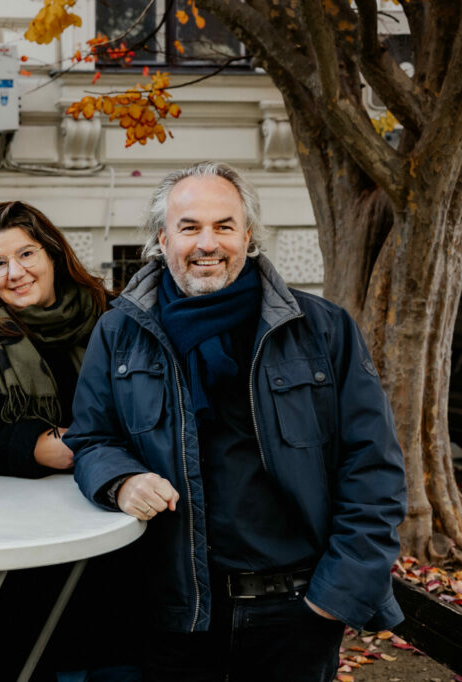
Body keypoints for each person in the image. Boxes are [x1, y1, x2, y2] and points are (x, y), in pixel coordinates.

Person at [65, 161, 408, 681]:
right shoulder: (119, 332)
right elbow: (92, 438)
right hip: (172, 610)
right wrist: (122, 479)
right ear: (163, 238)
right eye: (189, 227)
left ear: (248, 235)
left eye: (224, 226)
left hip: (295, 612)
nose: (208, 243)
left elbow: (373, 467)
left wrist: (337, 595)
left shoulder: (322, 329)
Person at [0, 201, 142, 681]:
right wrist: (31, 446)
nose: (15, 273)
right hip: (13, 548)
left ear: (53, 254)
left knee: (108, 658)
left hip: (108, 528)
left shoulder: (111, 316)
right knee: (15, 661)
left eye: (26, 254)